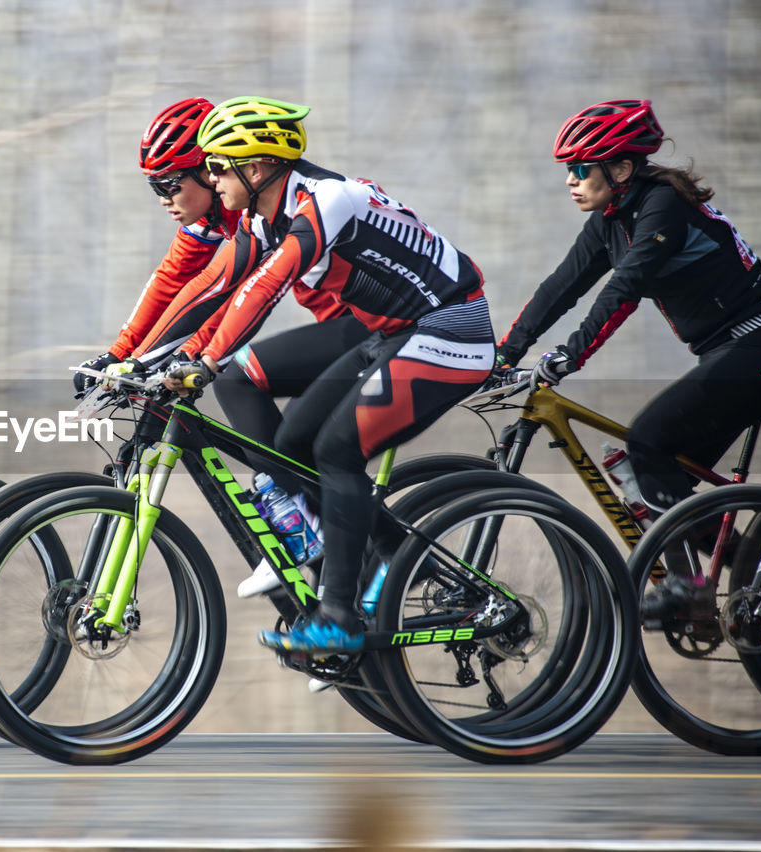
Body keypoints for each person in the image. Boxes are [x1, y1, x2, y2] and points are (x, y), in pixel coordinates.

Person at [140, 97, 495, 654]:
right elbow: (214, 283)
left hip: (451, 332)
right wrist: (135, 358)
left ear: (256, 168)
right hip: (396, 336)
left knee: (334, 450)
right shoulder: (265, 214)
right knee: (289, 444)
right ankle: (396, 559)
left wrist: (206, 362)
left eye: (216, 166)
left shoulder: (327, 201)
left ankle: (339, 617)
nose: (210, 179)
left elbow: (265, 285)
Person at [493, 99, 761, 617]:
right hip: (729, 349)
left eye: (581, 168)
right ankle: (748, 564)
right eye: (569, 170)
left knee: (648, 443)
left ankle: (687, 591)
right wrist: (503, 354)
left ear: (622, 168)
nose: (571, 179)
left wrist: (570, 354)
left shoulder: (663, 206)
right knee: (652, 472)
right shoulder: (611, 220)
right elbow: (559, 288)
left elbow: (626, 287)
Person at [75, 97, 345, 388]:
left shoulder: (262, 209)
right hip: (336, 326)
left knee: (239, 384)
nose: (164, 199)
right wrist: (119, 353)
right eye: (155, 187)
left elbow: (241, 291)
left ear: (208, 171)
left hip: (356, 324)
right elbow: (173, 279)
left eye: (169, 183)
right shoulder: (215, 214)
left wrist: (191, 352)